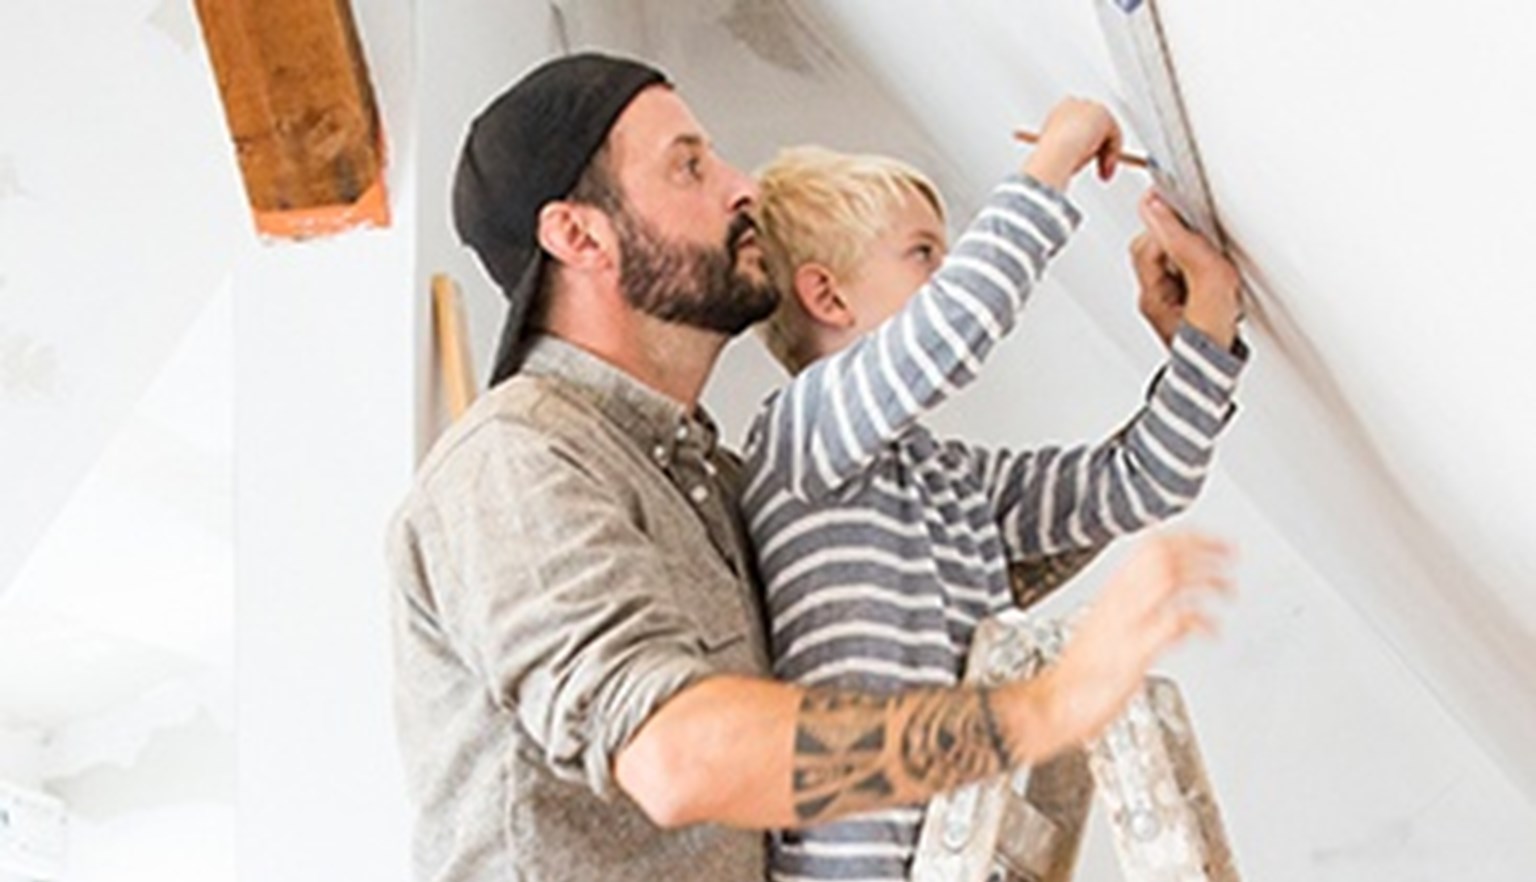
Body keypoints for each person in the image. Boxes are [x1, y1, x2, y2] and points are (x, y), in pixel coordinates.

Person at [386, 52, 1239, 882]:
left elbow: (1083, 506)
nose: (741, 184)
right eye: (688, 166)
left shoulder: (718, 483)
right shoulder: (518, 458)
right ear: (579, 235)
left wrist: (1203, 344)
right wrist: (1040, 712)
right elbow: (677, 754)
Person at [744, 116, 1248, 880]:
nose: (946, 274)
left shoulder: (954, 485)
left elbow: (1146, 479)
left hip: (964, 853)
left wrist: (1205, 327)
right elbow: (956, 324)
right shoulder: (798, 437)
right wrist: (1053, 162)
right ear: (827, 295)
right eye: (922, 254)